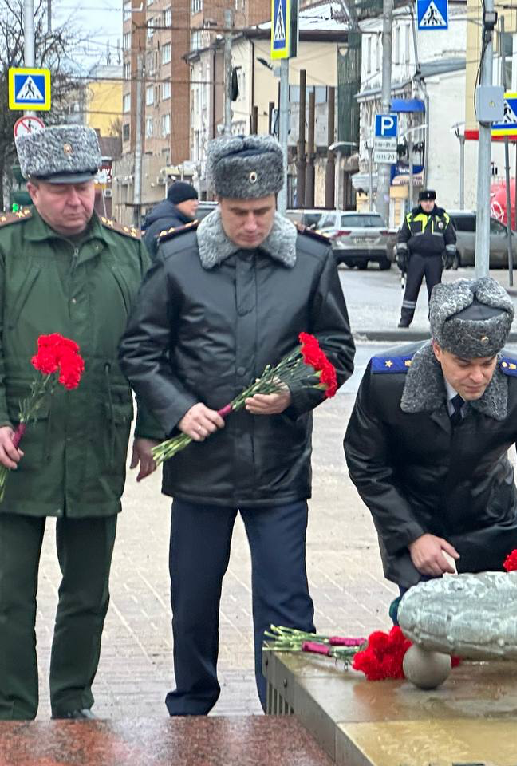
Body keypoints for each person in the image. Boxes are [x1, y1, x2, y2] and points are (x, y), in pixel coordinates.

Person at [118, 134, 356, 715]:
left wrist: (294, 392)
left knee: (285, 604)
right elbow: (141, 352)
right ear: (213, 203)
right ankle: (192, 704)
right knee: (193, 600)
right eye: (237, 213)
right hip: (202, 468)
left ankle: (286, 708)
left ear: (276, 202)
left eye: (263, 212)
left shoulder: (311, 259)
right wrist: (178, 408)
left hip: (278, 465)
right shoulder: (177, 259)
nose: (251, 225)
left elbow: (337, 350)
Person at [0, 124, 163, 720]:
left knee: (87, 593)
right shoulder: (7, 250)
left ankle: (74, 702)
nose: (77, 201)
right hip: (18, 445)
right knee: (8, 595)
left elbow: (152, 348)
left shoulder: (129, 253)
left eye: (85, 187)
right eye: (61, 189)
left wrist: (152, 425)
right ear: (33, 190)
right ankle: (11, 708)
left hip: (98, 436)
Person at [344, 277, 517, 607]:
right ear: (437, 349)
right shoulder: (388, 381)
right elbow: (366, 463)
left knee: (498, 639)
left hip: (491, 523)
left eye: (487, 363)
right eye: (463, 364)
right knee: (424, 637)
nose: (477, 376)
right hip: (416, 518)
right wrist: (412, 535)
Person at [395, 190, 456, 328]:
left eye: (430, 201)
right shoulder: (411, 217)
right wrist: (402, 254)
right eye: (425, 202)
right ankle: (405, 319)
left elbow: (450, 237)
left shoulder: (443, 217)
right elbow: (403, 236)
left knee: (435, 291)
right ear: (420, 202)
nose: (428, 204)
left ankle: (434, 321)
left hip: (435, 259)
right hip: (416, 258)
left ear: (434, 202)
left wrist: (451, 254)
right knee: (411, 289)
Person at [142, 181, 199, 256]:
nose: (196, 204)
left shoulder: (162, 219)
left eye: (196, 200)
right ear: (179, 201)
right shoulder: (170, 226)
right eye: (192, 200)